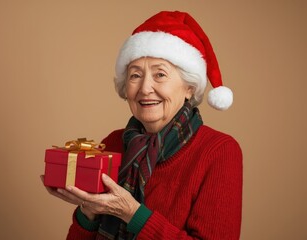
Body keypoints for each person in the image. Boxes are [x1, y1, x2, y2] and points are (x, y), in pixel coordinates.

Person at [42, 11, 242, 240]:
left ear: (189, 87)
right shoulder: (114, 142)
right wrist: (88, 211)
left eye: (160, 74)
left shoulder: (219, 151)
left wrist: (132, 214)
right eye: (135, 75)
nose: (145, 88)